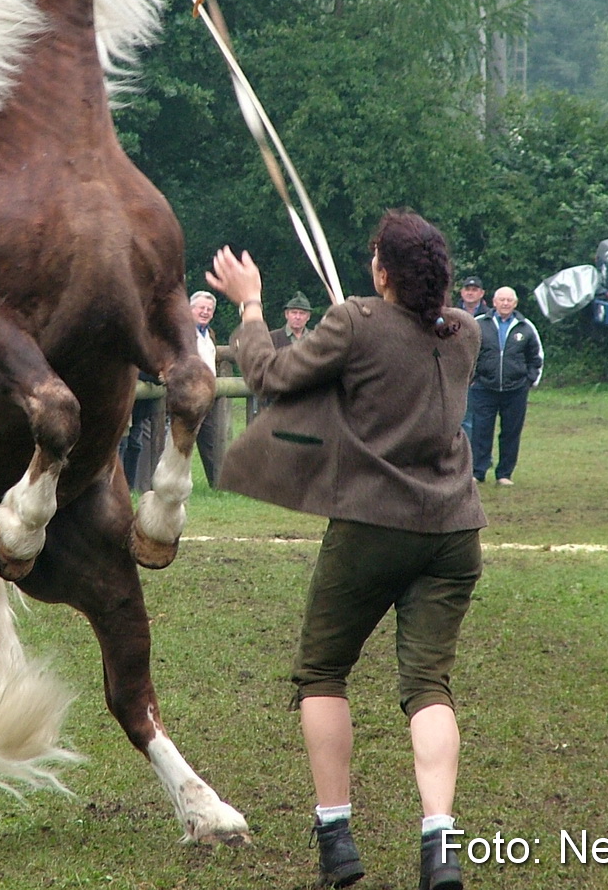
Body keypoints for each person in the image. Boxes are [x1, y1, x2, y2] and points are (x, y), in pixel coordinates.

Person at [209, 211, 482, 890]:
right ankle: (439, 844)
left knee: (322, 672)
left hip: (371, 526)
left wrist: (249, 304)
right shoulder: (465, 332)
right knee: (428, 685)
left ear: (384, 270)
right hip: (454, 531)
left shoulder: (356, 322)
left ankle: (335, 839)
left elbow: (270, 374)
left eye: (373, 258)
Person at [467, 286, 543, 486]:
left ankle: (504, 474)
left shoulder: (526, 327)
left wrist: (529, 381)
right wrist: (472, 378)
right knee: (481, 431)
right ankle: (478, 471)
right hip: (484, 388)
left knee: (510, 432)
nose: (505, 303)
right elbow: (468, 352)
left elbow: (536, 357)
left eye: (510, 300)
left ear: (515, 303)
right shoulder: (479, 324)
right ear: (494, 302)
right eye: (502, 300)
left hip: (515, 390)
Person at [190, 290, 226, 486]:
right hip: (189, 396)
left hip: (208, 396)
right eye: (201, 308)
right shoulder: (185, 332)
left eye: (209, 309)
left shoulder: (209, 334)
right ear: (190, 309)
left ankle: (219, 483)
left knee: (211, 441)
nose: (205, 312)